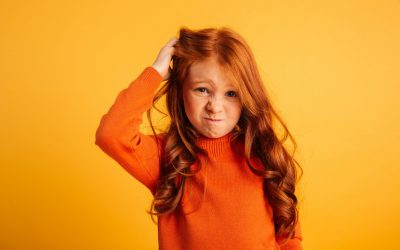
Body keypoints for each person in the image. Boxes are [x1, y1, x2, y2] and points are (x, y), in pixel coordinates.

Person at [95, 26, 303, 249]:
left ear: (247, 97)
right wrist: (155, 73)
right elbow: (111, 134)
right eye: (202, 90)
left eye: (231, 94)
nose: (215, 106)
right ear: (181, 90)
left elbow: (288, 236)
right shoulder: (167, 158)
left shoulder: (265, 155)